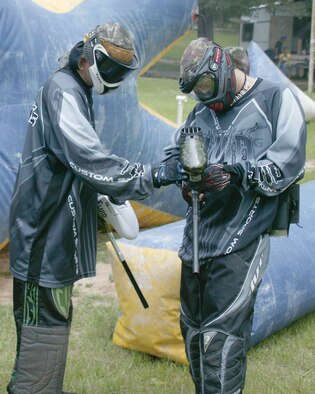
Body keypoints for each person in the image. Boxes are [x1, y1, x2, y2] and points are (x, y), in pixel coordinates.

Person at [7, 22, 185, 394]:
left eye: (123, 71)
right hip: (42, 236)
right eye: (112, 69)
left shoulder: (74, 87)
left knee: (50, 329)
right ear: (87, 56)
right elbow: (91, 159)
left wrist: (101, 195)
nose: (115, 79)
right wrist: (153, 175)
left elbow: (75, 163)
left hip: (49, 233)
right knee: (42, 333)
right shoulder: (64, 91)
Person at [163, 37, 306, 393]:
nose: (204, 96)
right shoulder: (202, 109)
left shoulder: (274, 98)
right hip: (197, 239)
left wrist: (235, 173)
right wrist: (183, 173)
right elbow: (175, 150)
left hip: (243, 239)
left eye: (207, 85)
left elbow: (288, 164)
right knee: (194, 335)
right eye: (197, 90)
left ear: (223, 66)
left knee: (221, 341)